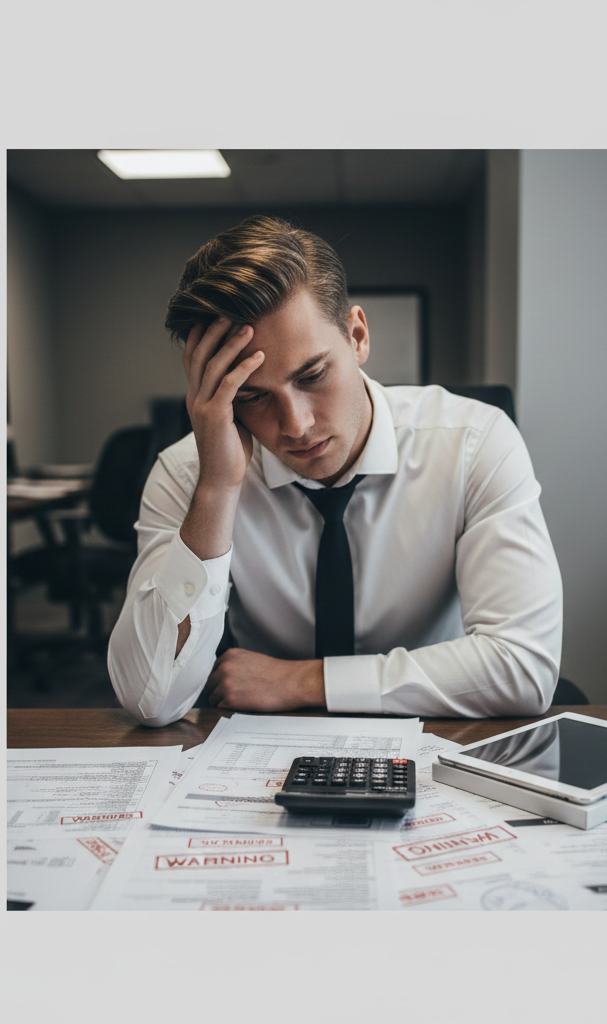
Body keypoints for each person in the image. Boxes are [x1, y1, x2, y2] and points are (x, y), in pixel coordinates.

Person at [107, 216, 563, 727]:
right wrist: (216, 486)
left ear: (358, 335)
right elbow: (152, 699)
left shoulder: (475, 443)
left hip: (439, 736)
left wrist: (304, 680)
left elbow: (524, 668)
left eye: (313, 375)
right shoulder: (188, 473)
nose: (296, 426)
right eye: (253, 397)